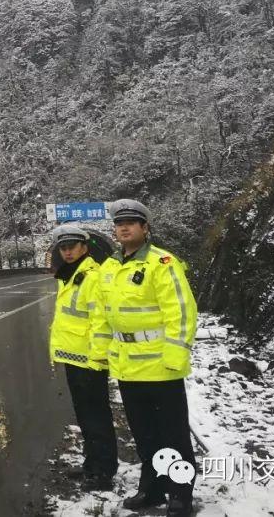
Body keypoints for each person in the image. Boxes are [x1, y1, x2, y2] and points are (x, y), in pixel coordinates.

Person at [89, 199, 198, 517]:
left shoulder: (162, 263)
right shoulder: (109, 268)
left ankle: (181, 494)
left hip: (161, 366)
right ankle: (151, 489)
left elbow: (181, 310)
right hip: (128, 367)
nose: (124, 228)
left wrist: (176, 354)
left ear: (145, 228)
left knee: (174, 434)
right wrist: (99, 355)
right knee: (145, 436)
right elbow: (101, 316)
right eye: (120, 224)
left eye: (132, 223)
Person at [48, 223, 118, 490]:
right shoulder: (70, 275)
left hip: (89, 360)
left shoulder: (92, 277)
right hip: (74, 358)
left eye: (72, 247)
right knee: (85, 415)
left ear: (84, 248)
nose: (67, 252)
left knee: (96, 416)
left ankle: (103, 472)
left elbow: (100, 321)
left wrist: (99, 359)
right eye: (63, 248)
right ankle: (92, 464)